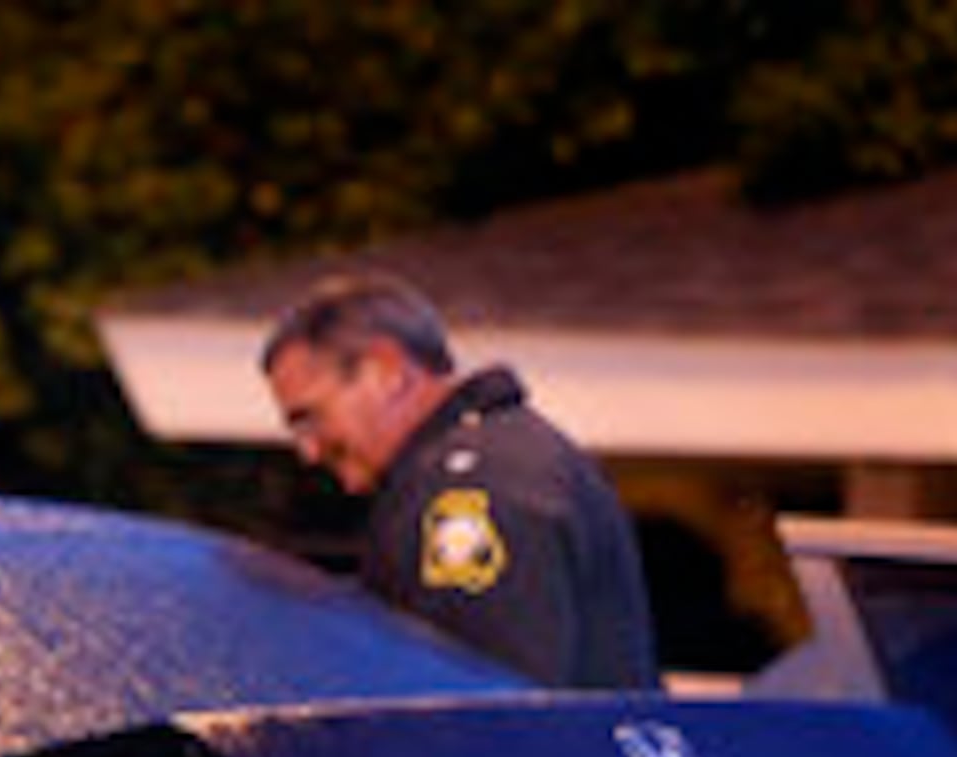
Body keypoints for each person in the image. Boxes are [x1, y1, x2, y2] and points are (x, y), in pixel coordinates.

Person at [260, 272, 659, 689]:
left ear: (386, 371)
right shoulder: (504, 457)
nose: (308, 451)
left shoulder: (470, 493)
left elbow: (480, 714)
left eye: (310, 418)